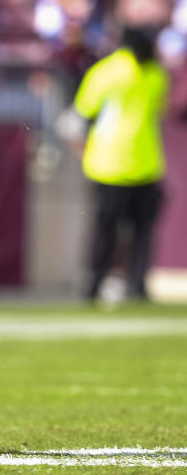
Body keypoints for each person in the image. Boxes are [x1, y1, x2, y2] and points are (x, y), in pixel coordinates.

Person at [68, 24, 169, 301]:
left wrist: (82, 149)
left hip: (109, 163)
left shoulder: (105, 72)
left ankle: (95, 285)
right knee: (140, 235)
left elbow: (81, 114)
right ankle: (135, 286)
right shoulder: (156, 73)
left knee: (106, 234)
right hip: (142, 164)